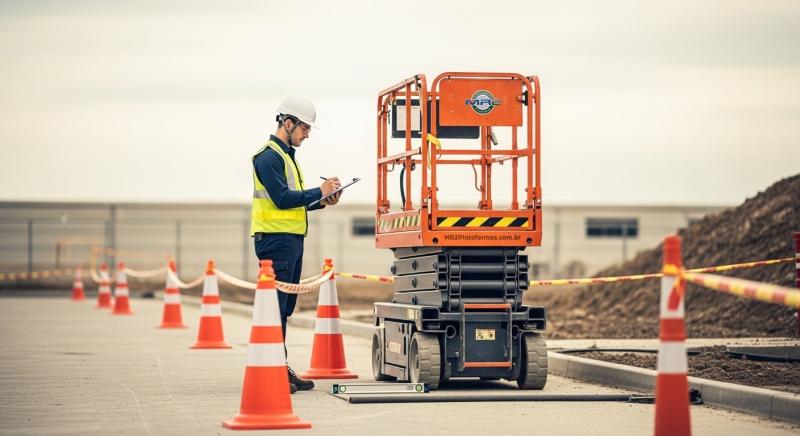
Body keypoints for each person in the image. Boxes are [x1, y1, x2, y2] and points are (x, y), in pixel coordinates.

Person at [250, 97, 342, 393]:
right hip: (276, 243)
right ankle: (272, 371)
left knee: (284, 308)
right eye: (304, 128)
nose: (307, 134)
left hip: (288, 240)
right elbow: (281, 199)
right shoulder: (268, 156)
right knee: (275, 308)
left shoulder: (286, 155)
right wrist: (318, 190)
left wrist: (321, 201)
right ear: (287, 123)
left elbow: (293, 203)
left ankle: (279, 367)